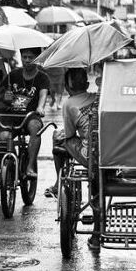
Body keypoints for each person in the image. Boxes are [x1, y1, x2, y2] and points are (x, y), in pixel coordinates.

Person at [44, 68, 100, 250]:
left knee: (59, 137)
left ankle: (57, 181)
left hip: (88, 155)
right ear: (86, 84)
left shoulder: (69, 104)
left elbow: (69, 134)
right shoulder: (97, 97)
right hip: (109, 153)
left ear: (67, 87)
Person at [1, 47, 49, 178]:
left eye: (31, 57)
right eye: (24, 57)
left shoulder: (42, 77)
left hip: (31, 116)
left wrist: (40, 108)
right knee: (3, 136)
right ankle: (11, 163)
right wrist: (7, 97)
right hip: (12, 116)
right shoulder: (13, 75)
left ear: (37, 59)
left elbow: (43, 94)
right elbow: (3, 98)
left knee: (36, 128)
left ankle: (30, 166)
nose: (27, 60)